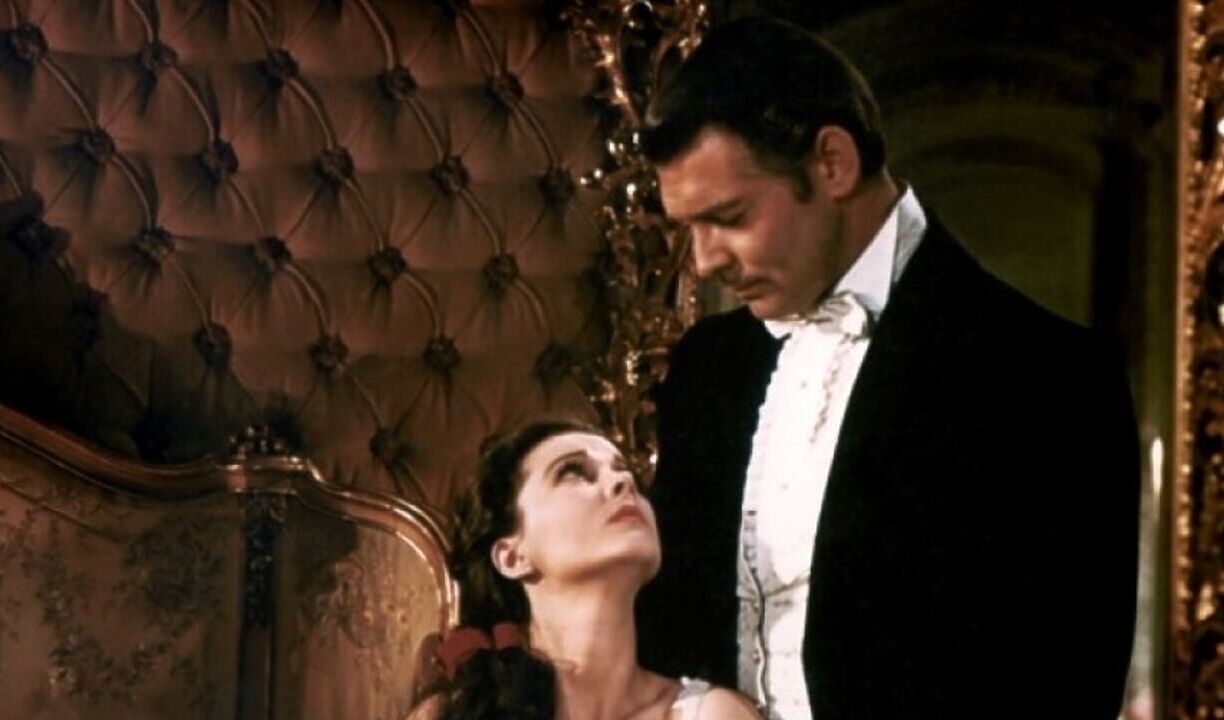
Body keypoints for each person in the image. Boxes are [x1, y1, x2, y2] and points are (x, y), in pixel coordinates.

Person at [634, 17, 1141, 720]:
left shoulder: (1053, 380)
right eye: (688, 226)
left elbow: (1062, 694)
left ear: (832, 163)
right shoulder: (707, 368)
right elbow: (671, 639)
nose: (704, 260)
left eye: (730, 216)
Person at [429, 419, 762, 720]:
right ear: (512, 557)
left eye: (625, 470)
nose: (623, 480)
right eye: (573, 472)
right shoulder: (458, 712)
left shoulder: (712, 714)